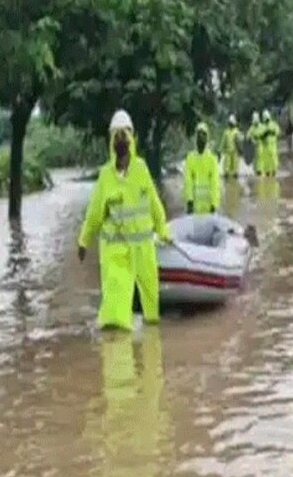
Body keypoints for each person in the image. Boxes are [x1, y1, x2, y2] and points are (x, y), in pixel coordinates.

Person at [76, 109, 171, 331]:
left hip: (143, 248)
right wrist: (84, 241)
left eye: (124, 135)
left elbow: (155, 205)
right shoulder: (105, 176)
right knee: (116, 313)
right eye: (116, 136)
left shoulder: (141, 169)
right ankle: (117, 354)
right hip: (116, 250)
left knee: (151, 305)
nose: (120, 141)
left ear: (131, 138)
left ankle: (150, 347)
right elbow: (94, 214)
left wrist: (163, 231)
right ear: (111, 141)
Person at [183, 122, 221, 215]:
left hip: (209, 208)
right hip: (194, 208)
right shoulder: (190, 158)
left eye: (203, 134)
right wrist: (189, 201)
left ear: (207, 138)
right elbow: (188, 182)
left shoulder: (212, 159)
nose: (201, 137)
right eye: (199, 134)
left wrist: (214, 204)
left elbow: (215, 183)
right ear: (195, 137)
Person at [221, 115, 242, 179]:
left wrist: (240, 150)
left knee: (235, 164)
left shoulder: (237, 132)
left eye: (231, 123)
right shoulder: (226, 132)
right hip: (228, 151)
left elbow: (240, 140)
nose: (230, 124)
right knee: (227, 164)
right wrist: (221, 150)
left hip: (235, 151)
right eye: (230, 123)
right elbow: (223, 142)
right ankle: (226, 174)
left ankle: (235, 174)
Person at [261, 109, 280, 177]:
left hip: (272, 145)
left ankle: (274, 171)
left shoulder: (274, 124)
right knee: (266, 159)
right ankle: (267, 172)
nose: (266, 119)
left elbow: (278, 132)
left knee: (273, 158)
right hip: (265, 145)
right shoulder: (262, 125)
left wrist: (271, 132)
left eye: (267, 118)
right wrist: (264, 134)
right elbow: (259, 135)